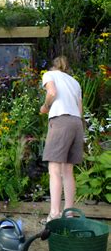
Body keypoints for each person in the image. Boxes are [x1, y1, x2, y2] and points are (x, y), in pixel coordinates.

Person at [40, 56, 83, 223]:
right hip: (76, 123)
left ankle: (54, 214)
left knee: (54, 170)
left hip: (61, 121)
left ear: (53, 66)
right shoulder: (75, 82)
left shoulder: (49, 75)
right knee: (67, 171)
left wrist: (45, 106)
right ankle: (69, 213)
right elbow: (79, 110)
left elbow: (52, 92)